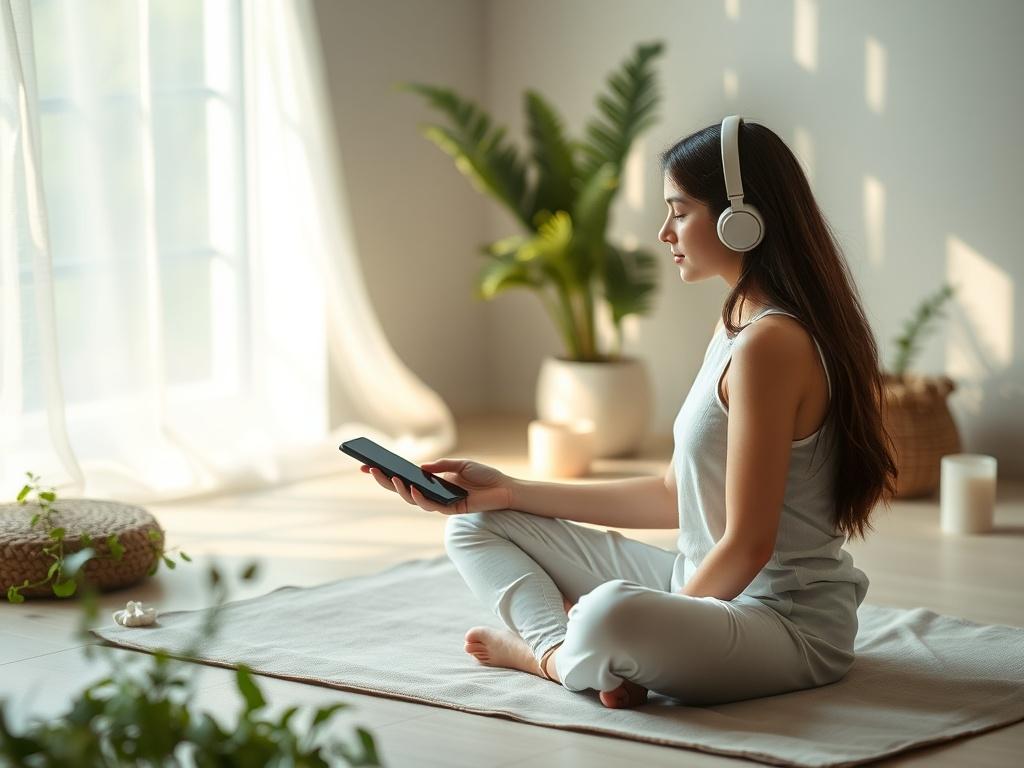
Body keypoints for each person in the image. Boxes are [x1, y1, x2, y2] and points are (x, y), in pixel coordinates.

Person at [360, 115, 898, 710]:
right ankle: (572, 651)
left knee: (610, 612)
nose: (665, 232)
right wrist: (511, 491)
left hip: (784, 627)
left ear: (740, 220)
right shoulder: (738, 322)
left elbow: (749, 545)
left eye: (680, 210)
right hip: (703, 590)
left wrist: (662, 620)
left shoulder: (773, 345)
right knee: (473, 524)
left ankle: (549, 656)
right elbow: (675, 494)